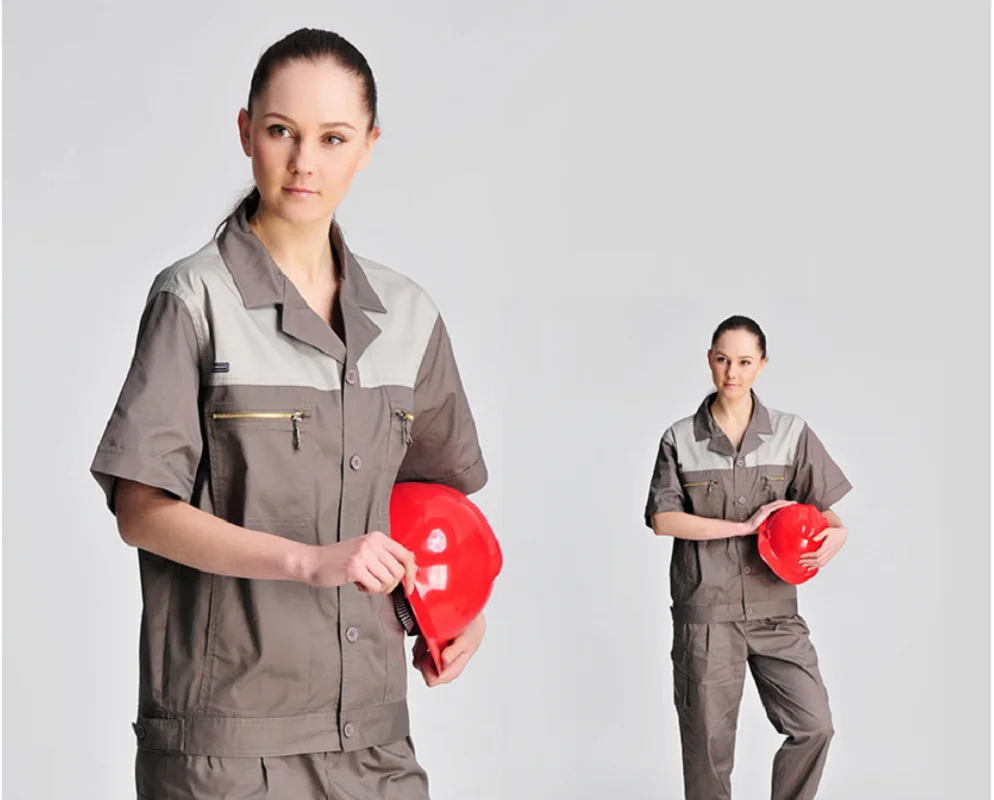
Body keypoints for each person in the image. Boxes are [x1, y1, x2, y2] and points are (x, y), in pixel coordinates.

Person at [89, 27, 489, 800]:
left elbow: (438, 498)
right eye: (282, 132)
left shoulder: (408, 317)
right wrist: (307, 561)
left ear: (367, 146)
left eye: (333, 137)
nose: (305, 162)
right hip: (227, 747)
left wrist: (460, 604)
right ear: (247, 132)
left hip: (372, 738)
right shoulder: (194, 301)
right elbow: (140, 510)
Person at [644, 315, 851, 800]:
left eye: (742, 362)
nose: (731, 372)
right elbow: (662, 519)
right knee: (708, 755)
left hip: (776, 614)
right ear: (710, 361)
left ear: (761, 365)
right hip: (707, 618)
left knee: (814, 725)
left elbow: (828, 516)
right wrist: (741, 527)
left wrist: (838, 537)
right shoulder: (680, 439)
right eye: (722, 360)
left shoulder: (791, 433)